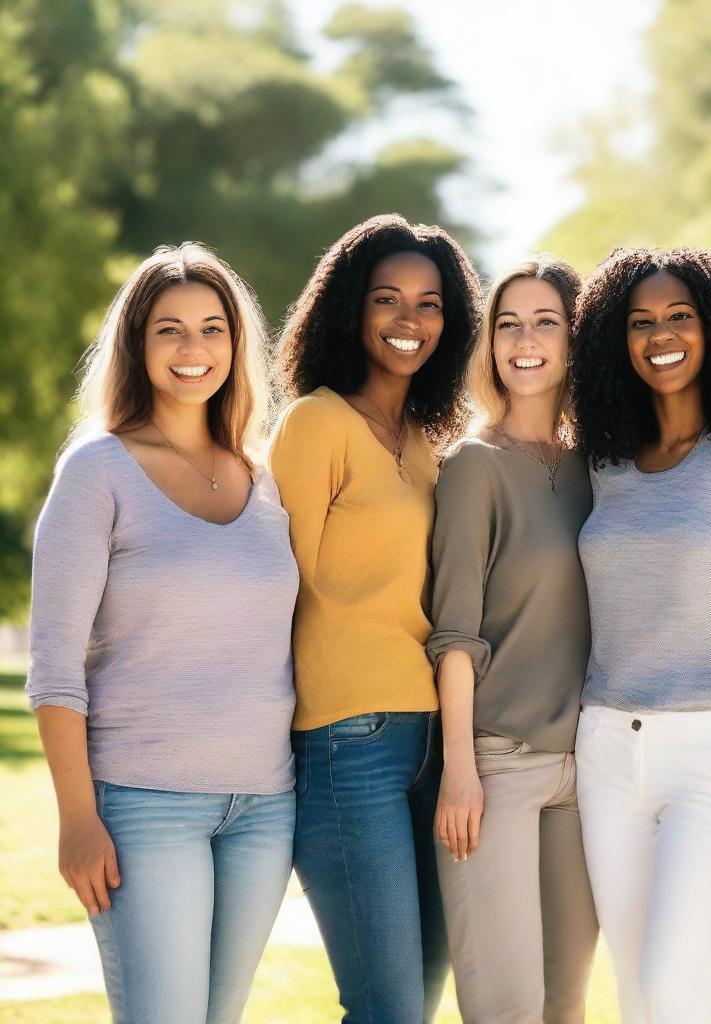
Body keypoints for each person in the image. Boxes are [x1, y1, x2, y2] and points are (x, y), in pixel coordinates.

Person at [27, 243, 298, 1024]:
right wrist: (79, 820)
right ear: (137, 346)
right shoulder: (98, 470)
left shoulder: (263, 476)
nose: (194, 350)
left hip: (263, 806)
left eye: (213, 329)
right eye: (170, 331)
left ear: (236, 346)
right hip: (143, 805)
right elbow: (53, 667)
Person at [268, 214, 480, 1023]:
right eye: (388, 299)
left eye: (428, 304)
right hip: (345, 740)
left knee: (418, 1001)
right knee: (387, 1006)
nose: (408, 320)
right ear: (350, 310)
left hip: (432, 741)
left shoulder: (427, 445)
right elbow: (271, 587)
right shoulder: (314, 423)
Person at [572, 246, 711, 1023]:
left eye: (679, 317)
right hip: (603, 746)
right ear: (613, 342)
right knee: (638, 995)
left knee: (673, 989)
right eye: (639, 322)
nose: (659, 335)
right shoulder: (601, 464)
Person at [429, 257, 600, 1023]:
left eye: (545, 322)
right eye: (508, 324)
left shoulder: (596, 467)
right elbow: (455, 634)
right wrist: (461, 771)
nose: (524, 341)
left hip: (587, 773)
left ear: (574, 338)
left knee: (565, 1006)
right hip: (496, 769)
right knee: (505, 1010)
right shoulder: (473, 465)